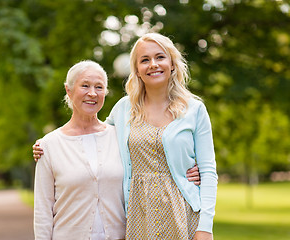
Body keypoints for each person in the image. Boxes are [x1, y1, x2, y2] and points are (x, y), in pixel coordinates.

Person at [33, 33, 214, 240]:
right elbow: (92, 133)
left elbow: (209, 171)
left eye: (160, 57)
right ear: (136, 69)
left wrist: (205, 227)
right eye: (145, 60)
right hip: (138, 218)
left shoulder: (194, 110)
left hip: (182, 213)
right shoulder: (123, 109)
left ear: (172, 63)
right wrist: (47, 143)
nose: (153, 64)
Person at [33, 60, 126, 240]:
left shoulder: (120, 137)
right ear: (69, 90)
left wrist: (192, 171)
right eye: (85, 85)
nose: (92, 93)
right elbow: (43, 210)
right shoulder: (49, 145)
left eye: (99, 87)